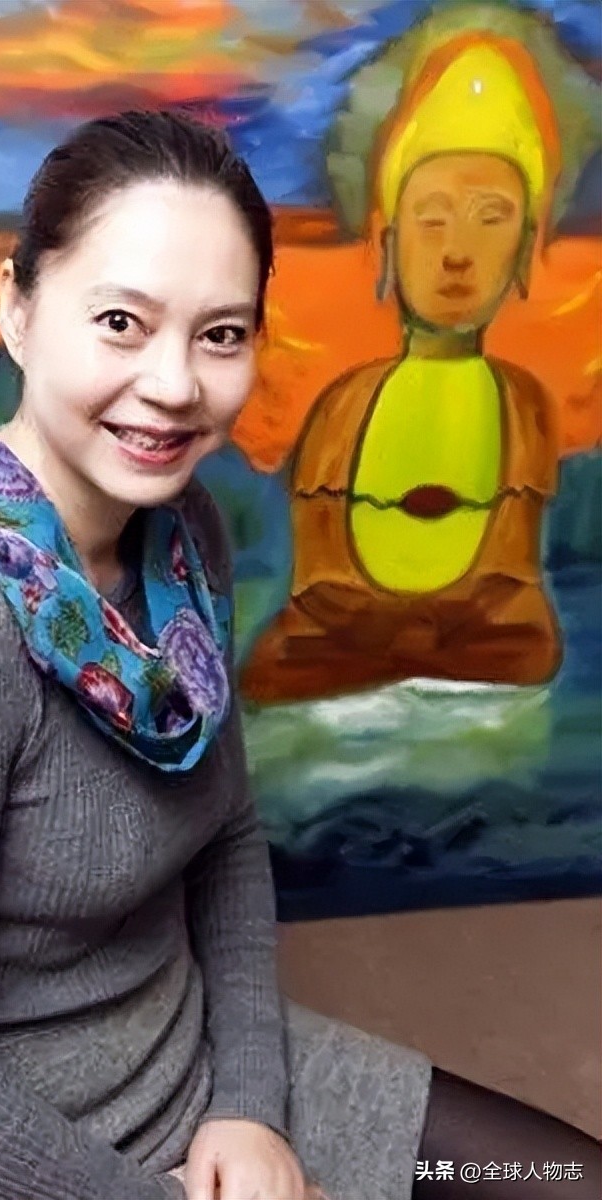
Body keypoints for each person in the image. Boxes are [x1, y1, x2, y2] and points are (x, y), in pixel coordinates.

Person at [0, 111, 599, 1200]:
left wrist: (250, 1108)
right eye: (121, 323)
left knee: (563, 1176)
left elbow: (224, 834)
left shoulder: (182, 532)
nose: (175, 385)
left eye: (221, 334)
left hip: (190, 1066)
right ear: (16, 309)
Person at [240, 35, 564, 705]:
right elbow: (318, 594)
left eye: (491, 220)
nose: (456, 253)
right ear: (388, 243)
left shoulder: (522, 406)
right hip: (337, 679)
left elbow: (513, 606)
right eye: (432, 220)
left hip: (484, 674)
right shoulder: (345, 406)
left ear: (524, 249)